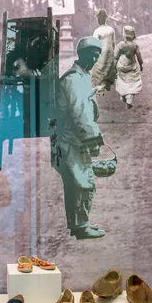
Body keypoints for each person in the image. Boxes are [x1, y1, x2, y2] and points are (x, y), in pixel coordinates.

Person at [52, 36, 106, 240]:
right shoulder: (74, 79)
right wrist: (93, 140)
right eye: (91, 55)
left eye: (97, 56)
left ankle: (80, 224)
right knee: (81, 183)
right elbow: (80, 114)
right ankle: (81, 226)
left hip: (71, 139)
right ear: (81, 55)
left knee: (77, 183)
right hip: (70, 141)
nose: (94, 59)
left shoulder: (82, 76)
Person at [114, 26, 144, 109]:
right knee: (133, 83)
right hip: (131, 67)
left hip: (121, 66)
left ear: (124, 34)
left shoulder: (120, 45)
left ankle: (123, 96)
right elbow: (139, 56)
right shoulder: (135, 45)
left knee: (122, 82)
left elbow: (115, 57)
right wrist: (141, 65)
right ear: (133, 35)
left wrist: (114, 67)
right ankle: (129, 100)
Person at [91, 9, 117, 94]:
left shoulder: (97, 31)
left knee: (96, 67)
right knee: (109, 66)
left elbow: (95, 45)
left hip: (102, 52)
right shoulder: (111, 29)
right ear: (106, 19)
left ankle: (101, 85)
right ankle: (107, 82)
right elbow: (113, 43)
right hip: (110, 52)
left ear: (98, 20)